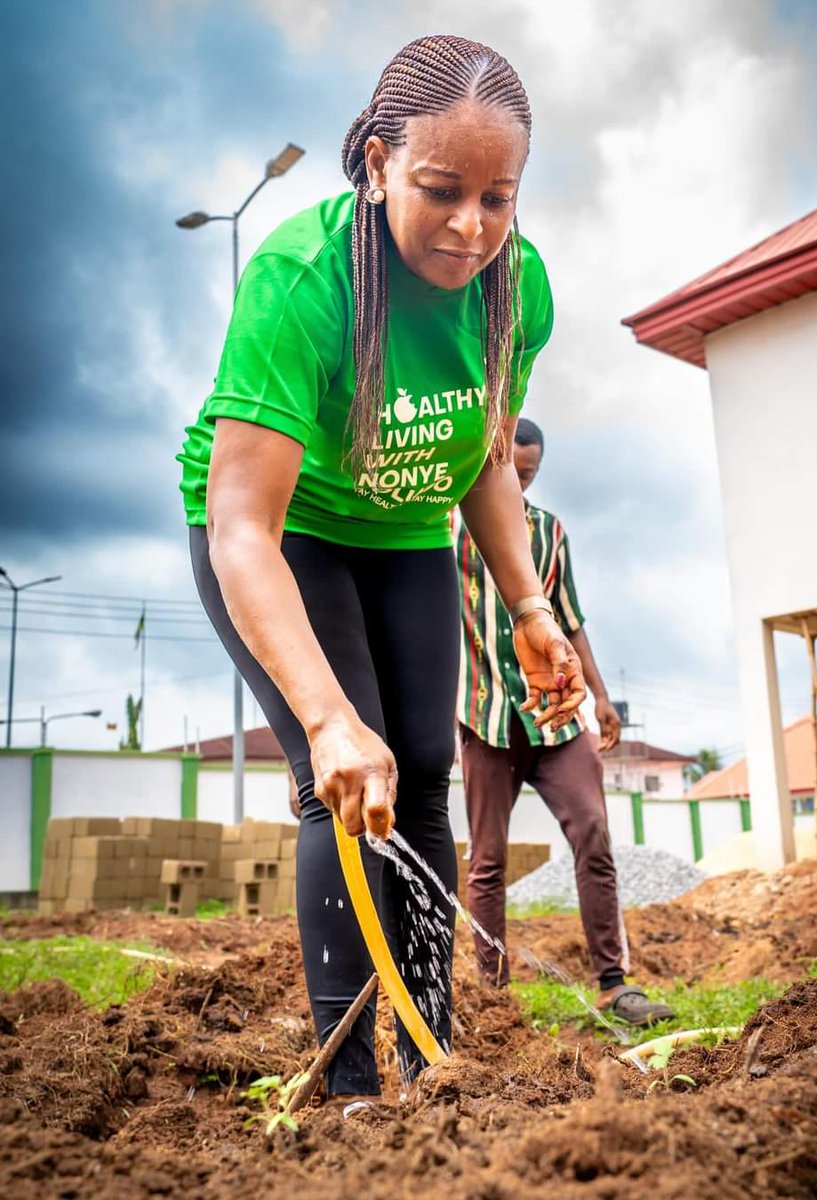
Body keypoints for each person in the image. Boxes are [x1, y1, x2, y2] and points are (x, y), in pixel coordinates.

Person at [177, 36, 587, 1103]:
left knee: (425, 769)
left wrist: (530, 606)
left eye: (500, 197)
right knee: (349, 776)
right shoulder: (298, 283)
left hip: (405, 529)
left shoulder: (517, 287)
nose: (473, 227)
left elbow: (482, 458)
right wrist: (321, 718)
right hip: (285, 531)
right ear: (372, 164)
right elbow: (240, 531)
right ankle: (352, 1087)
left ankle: (433, 1062)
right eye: (441, 191)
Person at [457, 418, 675, 1025]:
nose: (519, 482)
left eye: (528, 474)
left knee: (593, 834)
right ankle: (492, 994)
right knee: (488, 861)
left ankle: (614, 983)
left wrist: (600, 698)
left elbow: (570, 619)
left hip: (556, 719)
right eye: (512, 470)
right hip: (486, 717)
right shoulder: (447, 523)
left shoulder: (550, 532)